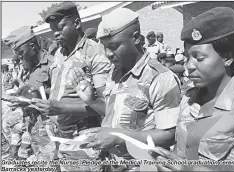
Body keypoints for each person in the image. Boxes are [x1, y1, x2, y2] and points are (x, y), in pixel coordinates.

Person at [149, 7, 234, 171]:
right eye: (187, 57)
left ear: (227, 58)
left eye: (199, 58)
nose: (189, 66)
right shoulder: (189, 97)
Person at [75, 8, 181, 171]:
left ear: (136, 38)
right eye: (104, 47)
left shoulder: (160, 78)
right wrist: (92, 100)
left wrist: (118, 137)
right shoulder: (115, 72)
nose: (108, 54)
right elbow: (116, 113)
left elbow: (169, 135)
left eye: (114, 46)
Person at [31, 2, 111, 171]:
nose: (55, 34)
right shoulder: (59, 53)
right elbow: (61, 92)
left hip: (84, 135)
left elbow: (106, 106)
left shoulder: (94, 52)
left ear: (76, 23)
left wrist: (61, 108)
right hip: (61, 134)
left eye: (60, 28)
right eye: (53, 30)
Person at [3, 26, 56, 161]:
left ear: (32, 46)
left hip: (49, 128)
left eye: (21, 52)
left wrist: (31, 98)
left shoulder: (51, 64)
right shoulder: (30, 67)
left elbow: (58, 97)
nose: (19, 57)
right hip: (34, 125)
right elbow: (32, 92)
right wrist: (20, 97)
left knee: (49, 165)